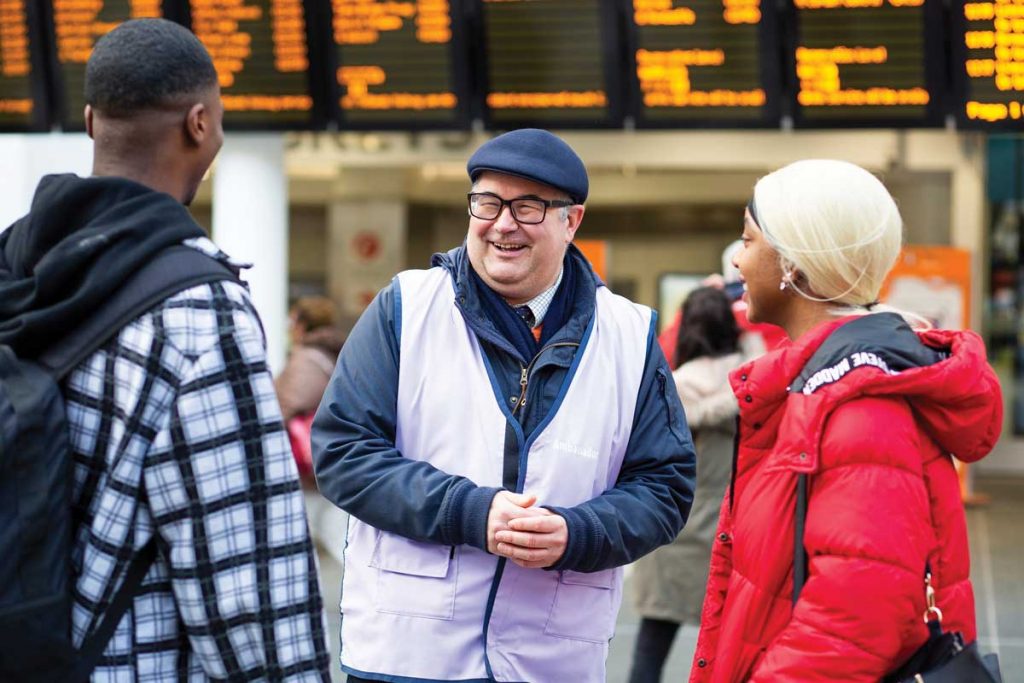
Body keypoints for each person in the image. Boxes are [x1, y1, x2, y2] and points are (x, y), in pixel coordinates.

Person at [0, 19, 331, 680]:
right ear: (200, 123)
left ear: (91, 122)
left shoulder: (13, 267)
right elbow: (247, 590)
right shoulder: (198, 310)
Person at [312, 128, 696, 683]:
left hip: (551, 660)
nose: (502, 224)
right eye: (487, 203)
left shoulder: (629, 336)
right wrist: (471, 511)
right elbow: (343, 452)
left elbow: (663, 486)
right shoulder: (407, 307)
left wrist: (578, 533)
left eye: (529, 206)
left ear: (573, 220)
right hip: (409, 654)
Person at [690, 160, 1002, 681]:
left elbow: (855, 621)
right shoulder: (830, 384)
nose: (737, 263)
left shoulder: (860, 405)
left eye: (747, 240)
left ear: (793, 263)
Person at [628, 286, 744, 683]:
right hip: (733, 528)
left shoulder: (673, 384)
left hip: (674, 528)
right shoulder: (753, 378)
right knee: (732, 654)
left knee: (651, 650)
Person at [275, 296, 348, 565]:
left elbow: (290, 404)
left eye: (292, 322)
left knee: (322, 535)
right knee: (336, 534)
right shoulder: (336, 352)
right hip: (327, 458)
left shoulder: (306, 359)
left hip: (307, 466)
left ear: (302, 324)